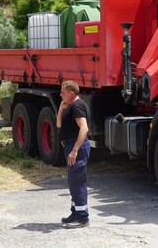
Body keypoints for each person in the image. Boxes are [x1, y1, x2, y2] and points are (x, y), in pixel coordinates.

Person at [56, 80, 90, 229]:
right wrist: (61, 108)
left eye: (63, 92)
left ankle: (83, 218)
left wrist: (75, 150)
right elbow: (58, 125)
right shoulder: (69, 106)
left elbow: (84, 129)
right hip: (70, 146)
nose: (60, 94)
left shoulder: (77, 106)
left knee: (77, 182)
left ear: (71, 93)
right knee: (72, 182)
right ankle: (75, 213)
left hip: (77, 148)